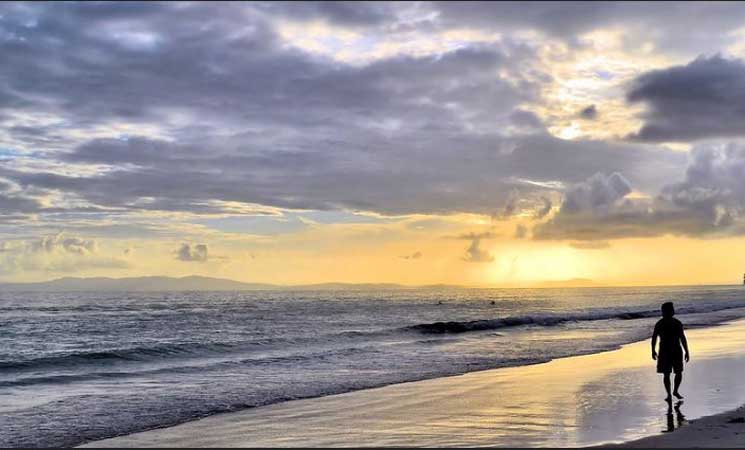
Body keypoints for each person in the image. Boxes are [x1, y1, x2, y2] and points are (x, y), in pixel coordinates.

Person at [652, 302, 690, 402]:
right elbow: (654, 338)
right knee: (667, 374)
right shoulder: (660, 324)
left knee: (678, 372)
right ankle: (669, 394)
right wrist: (652, 350)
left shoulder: (677, 323)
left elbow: (683, 338)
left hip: (675, 350)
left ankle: (675, 391)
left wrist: (687, 351)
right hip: (665, 351)